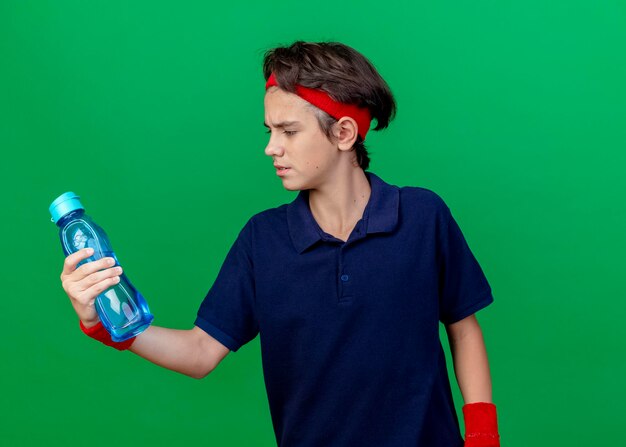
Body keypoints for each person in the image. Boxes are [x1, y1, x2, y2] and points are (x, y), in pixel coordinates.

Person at [60, 41, 501, 447]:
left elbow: (463, 328)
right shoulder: (262, 240)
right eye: (269, 131)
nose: (271, 148)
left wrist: (482, 436)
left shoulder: (423, 217)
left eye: (288, 131)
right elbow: (198, 354)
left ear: (344, 134)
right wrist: (102, 321)